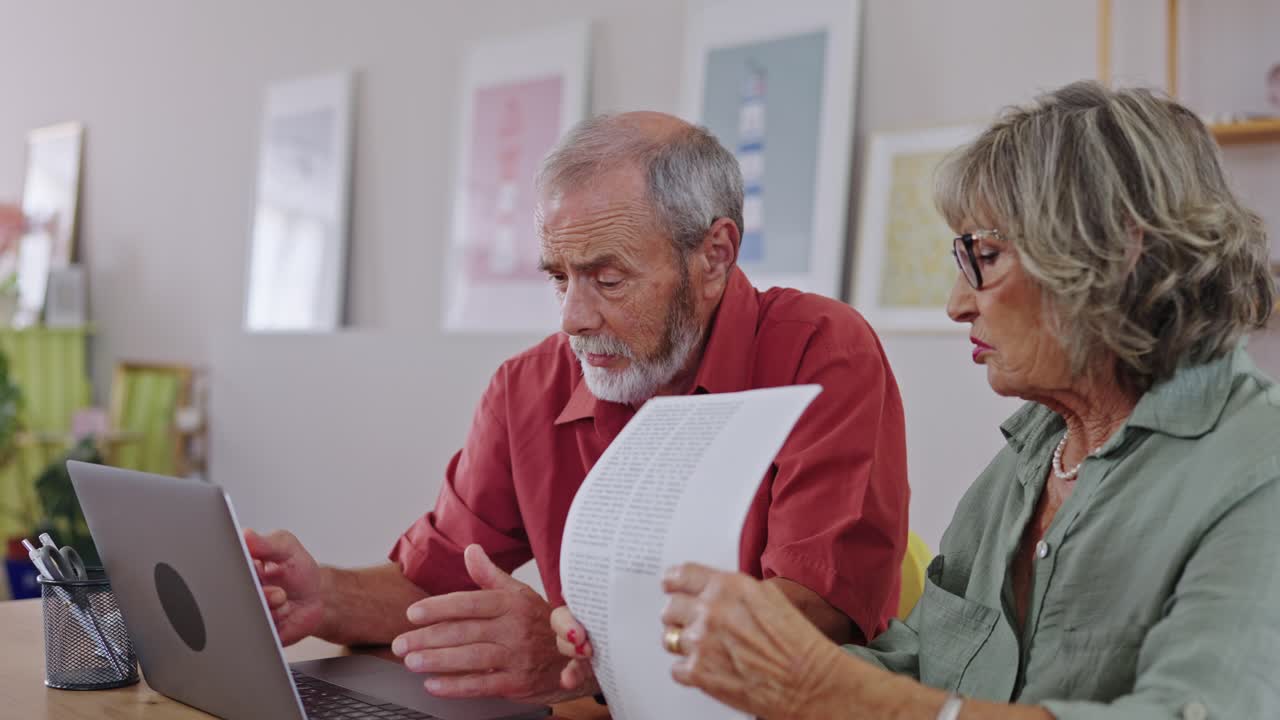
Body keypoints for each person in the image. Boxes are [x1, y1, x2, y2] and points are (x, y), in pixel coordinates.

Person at [553, 81, 1280, 718]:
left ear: (1118, 254)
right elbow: (915, 667)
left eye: (984, 259)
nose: (956, 304)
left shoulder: (1258, 475)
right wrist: (690, 667)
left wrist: (825, 690)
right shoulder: (1023, 469)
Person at [247, 111, 910, 703]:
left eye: (608, 278)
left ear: (714, 257)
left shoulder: (822, 352)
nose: (572, 318)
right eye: (558, 277)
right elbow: (438, 579)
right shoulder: (528, 387)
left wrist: (584, 655)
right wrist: (327, 596)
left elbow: (805, 615)